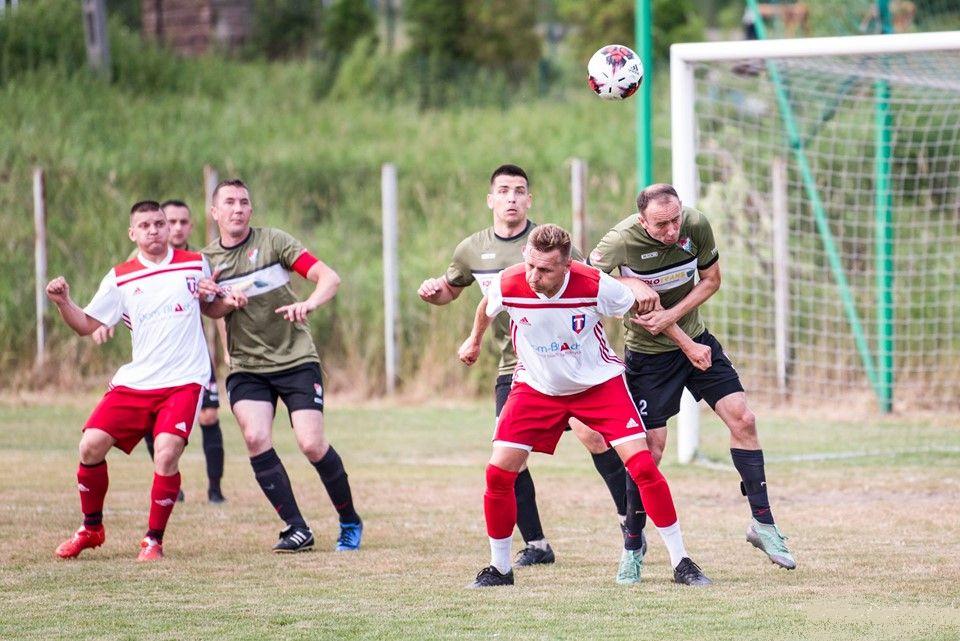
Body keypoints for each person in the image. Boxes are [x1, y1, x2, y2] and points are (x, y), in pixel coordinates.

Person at [459, 224, 711, 588]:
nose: (532, 275)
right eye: (529, 264)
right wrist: (473, 340)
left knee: (642, 466)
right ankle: (499, 569)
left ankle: (681, 562)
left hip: (598, 385)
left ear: (567, 266)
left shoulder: (594, 284)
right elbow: (486, 306)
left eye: (544, 269)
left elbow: (644, 313)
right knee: (498, 473)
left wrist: (688, 345)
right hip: (537, 386)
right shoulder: (510, 281)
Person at [418, 164, 630, 568]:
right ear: (491, 199)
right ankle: (535, 543)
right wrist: (435, 291)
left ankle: (628, 522)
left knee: (595, 438)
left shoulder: (549, 244)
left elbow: (587, 291)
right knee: (509, 454)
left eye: (519, 191)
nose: (512, 197)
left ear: (529, 200)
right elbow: (452, 290)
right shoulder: (471, 249)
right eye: (504, 190)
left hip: (571, 367)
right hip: (516, 367)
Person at [589, 183, 796, 575]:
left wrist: (672, 315)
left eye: (675, 220)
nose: (671, 231)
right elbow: (585, 280)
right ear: (641, 220)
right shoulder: (619, 242)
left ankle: (763, 524)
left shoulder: (696, 225)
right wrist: (628, 285)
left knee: (744, 419)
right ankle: (633, 545)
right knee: (648, 451)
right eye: (661, 225)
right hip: (648, 359)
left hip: (698, 342)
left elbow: (712, 280)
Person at [48, 201, 242, 561]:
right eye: (145, 225)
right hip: (138, 381)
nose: (153, 230)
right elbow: (86, 325)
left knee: (167, 453)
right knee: (90, 446)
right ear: (132, 233)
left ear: (169, 229)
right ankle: (91, 529)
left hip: (185, 379)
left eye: (159, 224)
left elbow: (211, 306)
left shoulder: (195, 263)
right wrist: (63, 302)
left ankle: (153, 540)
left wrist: (225, 301)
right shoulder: (120, 276)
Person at [202, 179, 362, 553]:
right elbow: (208, 310)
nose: (237, 208)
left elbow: (329, 277)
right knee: (256, 438)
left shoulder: (274, 242)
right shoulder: (206, 260)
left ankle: (350, 520)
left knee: (311, 444)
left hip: (294, 358)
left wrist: (310, 304)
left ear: (251, 210)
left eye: (244, 202)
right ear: (215, 213)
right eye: (229, 202)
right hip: (247, 366)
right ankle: (296, 528)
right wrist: (227, 303)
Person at [91, 199, 228, 503]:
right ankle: (170, 484)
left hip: (193, 357)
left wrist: (226, 344)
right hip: (155, 364)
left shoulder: (197, 260)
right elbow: (119, 299)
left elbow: (213, 304)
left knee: (208, 415)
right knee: (155, 423)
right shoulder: (136, 260)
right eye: (171, 221)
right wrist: (103, 324)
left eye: (181, 222)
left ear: (188, 226)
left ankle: (215, 490)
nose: (175, 227)